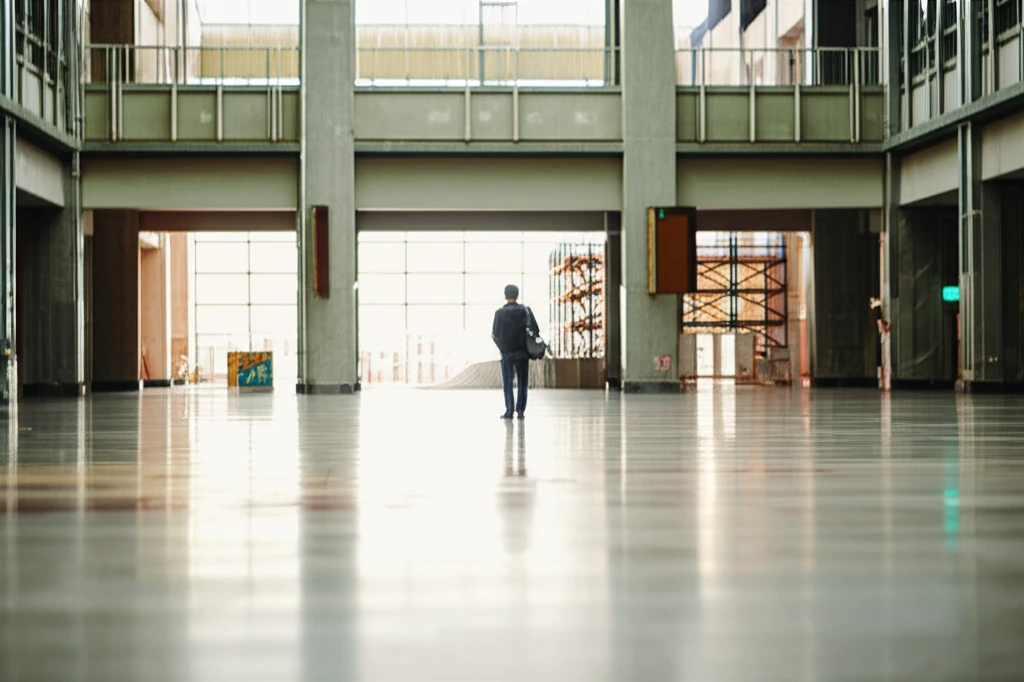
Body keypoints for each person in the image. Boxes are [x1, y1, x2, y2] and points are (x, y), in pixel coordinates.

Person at [492, 284, 539, 420]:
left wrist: (502, 347)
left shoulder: (499, 313)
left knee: (507, 382)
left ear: (505, 295)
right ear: (517, 295)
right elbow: (535, 330)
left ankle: (509, 410)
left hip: (506, 353)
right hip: (522, 352)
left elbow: (494, 334)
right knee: (522, 382)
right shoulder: (525, 310)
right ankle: (520, 410)